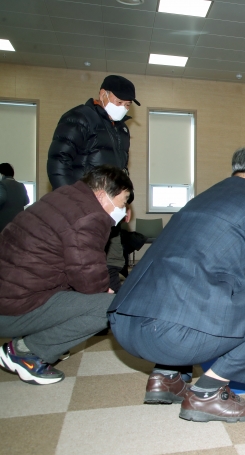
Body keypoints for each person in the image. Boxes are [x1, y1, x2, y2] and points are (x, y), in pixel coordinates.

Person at [108, 146, 245, 423]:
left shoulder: (203, 197)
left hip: (125, 326)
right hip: (172, 335)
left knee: (192, 290)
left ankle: (165, 378)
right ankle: (208, 392)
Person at [0, 166, 134, 385]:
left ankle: (37, 340)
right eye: (123, 201)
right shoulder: (90, 217)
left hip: (10, 295)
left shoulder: (62, 198)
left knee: (78, 291)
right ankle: (27, 352)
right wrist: (104, 289)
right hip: (11, 309)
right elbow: (88, 277)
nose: (124, 208)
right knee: (109, 306)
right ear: (102, 194)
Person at [47, 74, 140, 291]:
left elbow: (121, 172)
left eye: (127, 105)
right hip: (83, 208)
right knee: (82, 264)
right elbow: (58, 162)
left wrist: (125, 203)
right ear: (102, 94)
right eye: (119, 102)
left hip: (110, 211)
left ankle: (110, 316)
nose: (123, 108)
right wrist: (71, 203)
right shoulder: (79, 118)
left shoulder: (122, 130)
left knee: (112, 264)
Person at [0, 163, 30, 232]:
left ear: (2, 174)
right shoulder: (21, 185)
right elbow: (27, 201)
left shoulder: (2, 184)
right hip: (18, 222)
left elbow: (2, 198)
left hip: (3, 222)